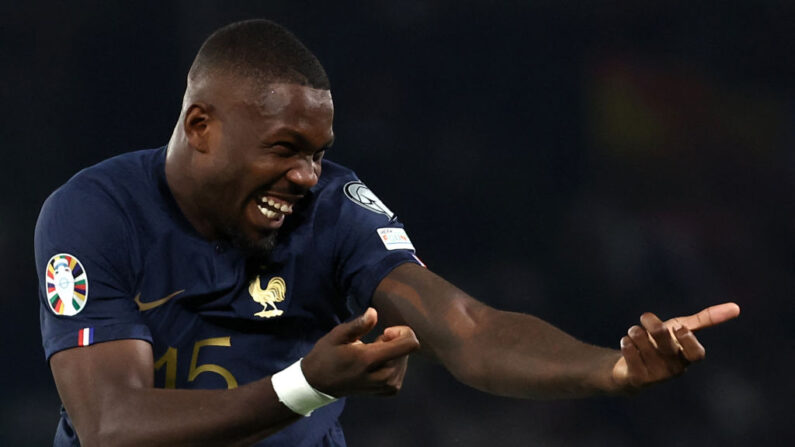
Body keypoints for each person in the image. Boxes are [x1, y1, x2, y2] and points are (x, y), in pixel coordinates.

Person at [35, 19, 740, 447]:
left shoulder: (331, 210)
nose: (307, 175)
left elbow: (466, 327)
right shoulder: (96, 215)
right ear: (202, 128)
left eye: (317, 151)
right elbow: (112, 426)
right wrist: (302, 386)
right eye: (285, 148)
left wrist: (607, 368)